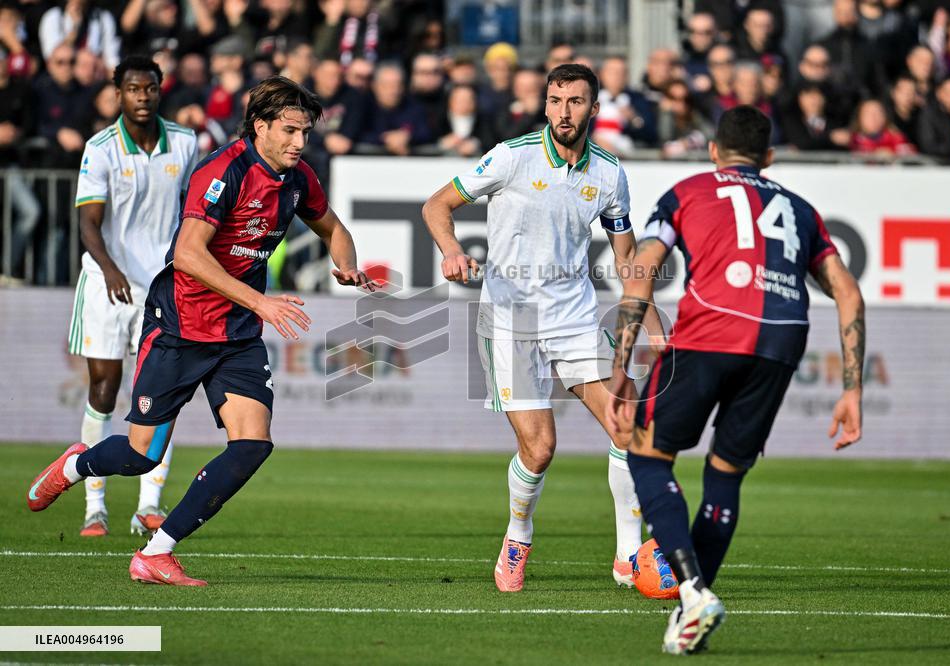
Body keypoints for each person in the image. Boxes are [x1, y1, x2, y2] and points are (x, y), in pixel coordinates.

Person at [27, 75, 373, 585]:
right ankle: (77, 465)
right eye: (291, 131)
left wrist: (345, 265)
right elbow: (188, 255)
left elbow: (335, 230)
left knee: (253, 444)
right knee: (139, 456)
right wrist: (261, 301)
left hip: (235, 336)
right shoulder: (223, 170)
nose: (301, 143)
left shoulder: (299, 179)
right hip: (179, 328)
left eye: (306, 133)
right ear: (260, 126)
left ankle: (157, 552)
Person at [606, 105, 865, 654]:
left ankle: (694, 590)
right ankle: (690, 612)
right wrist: (852, 389)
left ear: (714, 151)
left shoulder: (688, 192)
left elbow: (642, 269)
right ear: (769, 159)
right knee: (724, 477)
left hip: (710, 333)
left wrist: (621, 367)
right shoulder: (801, 210)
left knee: (647, 457)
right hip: (780, 342)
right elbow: (847, 291)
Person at [422, 64, 666, 593]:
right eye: (555, 100)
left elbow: (627, 259)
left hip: (575, 314)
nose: (562, 111)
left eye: (574, 101)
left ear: (594, 109)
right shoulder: (512, 155)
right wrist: (452, 249)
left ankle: (628, 555)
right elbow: (436, 204)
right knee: (540, 449)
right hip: (512, 318)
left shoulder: (609, 174)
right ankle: (518, 537)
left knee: (628, 425)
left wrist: (648, 315)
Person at [68, 55, 198, 538]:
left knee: (161, 396)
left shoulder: (185, 143)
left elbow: (195, 212)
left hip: (165, 287)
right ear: (117, 93)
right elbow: (88, 219)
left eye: (150, 88)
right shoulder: (100, 148)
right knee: (103, 392)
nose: (142, 96)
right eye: (132, 88)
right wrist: (109, 268)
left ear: (160, 91)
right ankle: (94, 506)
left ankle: (149, 504)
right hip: (108, 285)